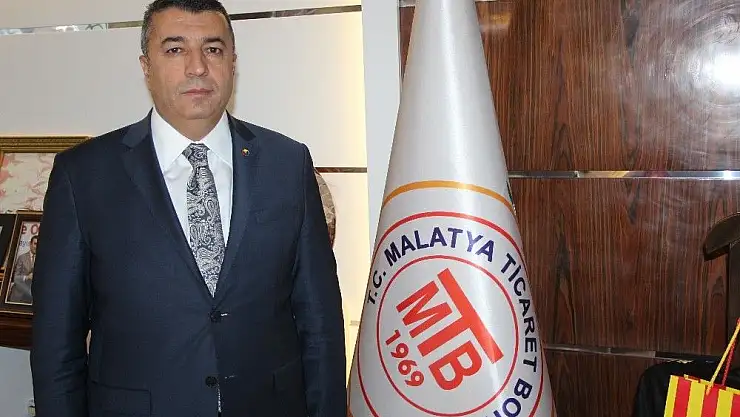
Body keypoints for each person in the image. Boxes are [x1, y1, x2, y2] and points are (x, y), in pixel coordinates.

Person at [29, 0, 347, 416]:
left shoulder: (287, 163)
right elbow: (56, 342)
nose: (197, 67)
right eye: (175, 49)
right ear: (146, 67)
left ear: (232, 63)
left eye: (213, 49)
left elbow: (320, 324)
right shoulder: (84, 175)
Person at [7, 234, 37, 304]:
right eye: (35, 244)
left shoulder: (41, 260)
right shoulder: (22, 258)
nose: (36, 246)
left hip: (30, 298)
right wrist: (26, 277)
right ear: (30, 244)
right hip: (18, 296)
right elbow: (15, 278)